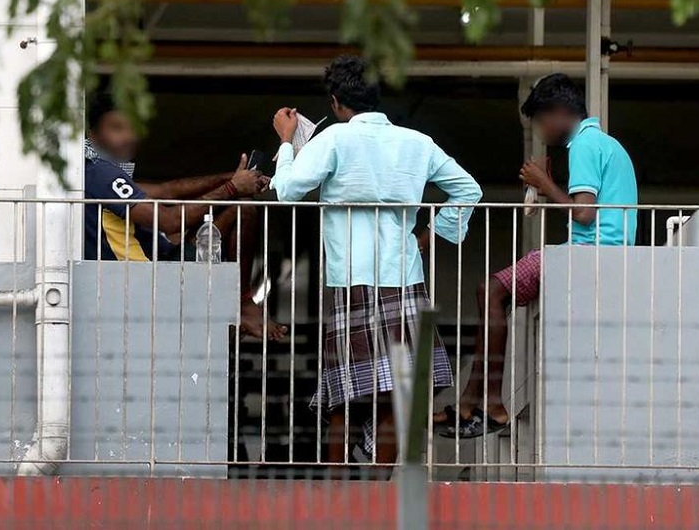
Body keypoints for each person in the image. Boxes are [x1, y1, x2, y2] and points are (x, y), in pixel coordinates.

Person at [270, 55, 483, 465]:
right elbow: (468, 190)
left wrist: (286, 140)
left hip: (350, 279)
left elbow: (288, 191)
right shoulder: (417, 142)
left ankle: (338, 498)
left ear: (335, 102)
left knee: (344, 396)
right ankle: (380, 499)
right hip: (404, 277)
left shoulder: (332, 140)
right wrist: (430, 236)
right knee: (393, 396)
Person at [438, 73, 638, 439]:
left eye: (541, 123)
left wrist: (544, 184)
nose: (542, 133)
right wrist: (548, 188)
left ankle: (488, 403)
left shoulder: (584, 145)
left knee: (491, 290)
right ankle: (474, 400)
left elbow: (583, 214)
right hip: (600, 252)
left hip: (587, 254)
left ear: (559, 113)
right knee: (497, 293)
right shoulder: (603, 143)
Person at [84, 90, 286, 340]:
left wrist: (230, 178)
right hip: (149, 278)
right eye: (117, 128)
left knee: (234, 205)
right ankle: (243, 302)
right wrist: (233, 188)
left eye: (132, 128)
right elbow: (168, 222)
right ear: (92, 135)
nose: (129, 136)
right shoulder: (102, 174)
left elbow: (167, 190)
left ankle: (239, 303)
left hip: (155, 267)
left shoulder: (96, 173)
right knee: (241, 206)